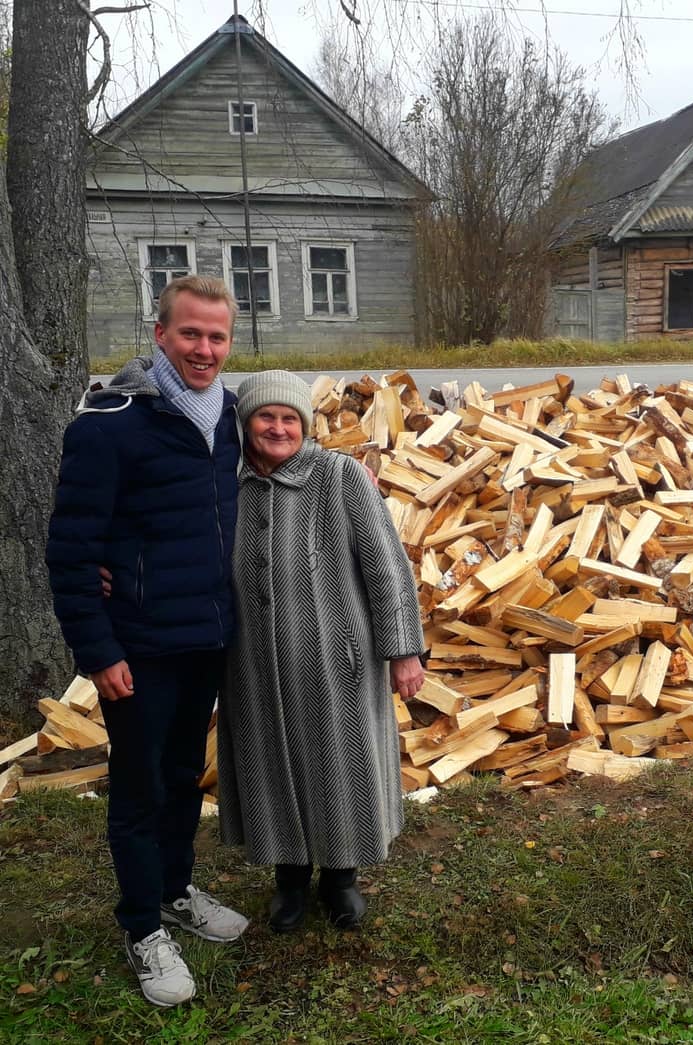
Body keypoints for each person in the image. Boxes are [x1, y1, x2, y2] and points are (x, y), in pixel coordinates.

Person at [46, 275, 250, 1008]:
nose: (204, 348)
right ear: (160, 333)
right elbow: (71, 552)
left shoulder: (228, 415)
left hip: (206, 637)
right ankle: (141, 927)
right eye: (190, 333)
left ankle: (172, 890)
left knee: (179, 780)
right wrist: (98, 651)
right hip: (139, 647)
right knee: (136, 791)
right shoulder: (109, 424)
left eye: (217, 336)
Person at [217, 370, 425, 934]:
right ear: (246, 423)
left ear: (306, 426)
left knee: (340, 764)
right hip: (252, 662)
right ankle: (288, 879)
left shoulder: (338, 476)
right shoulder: (226, 482)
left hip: (337, 658)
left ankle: (341, 877)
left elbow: (386, 565)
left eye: (290, 418)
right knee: (268, 763)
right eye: (266, 417)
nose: (278, 428)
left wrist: (404, 650)